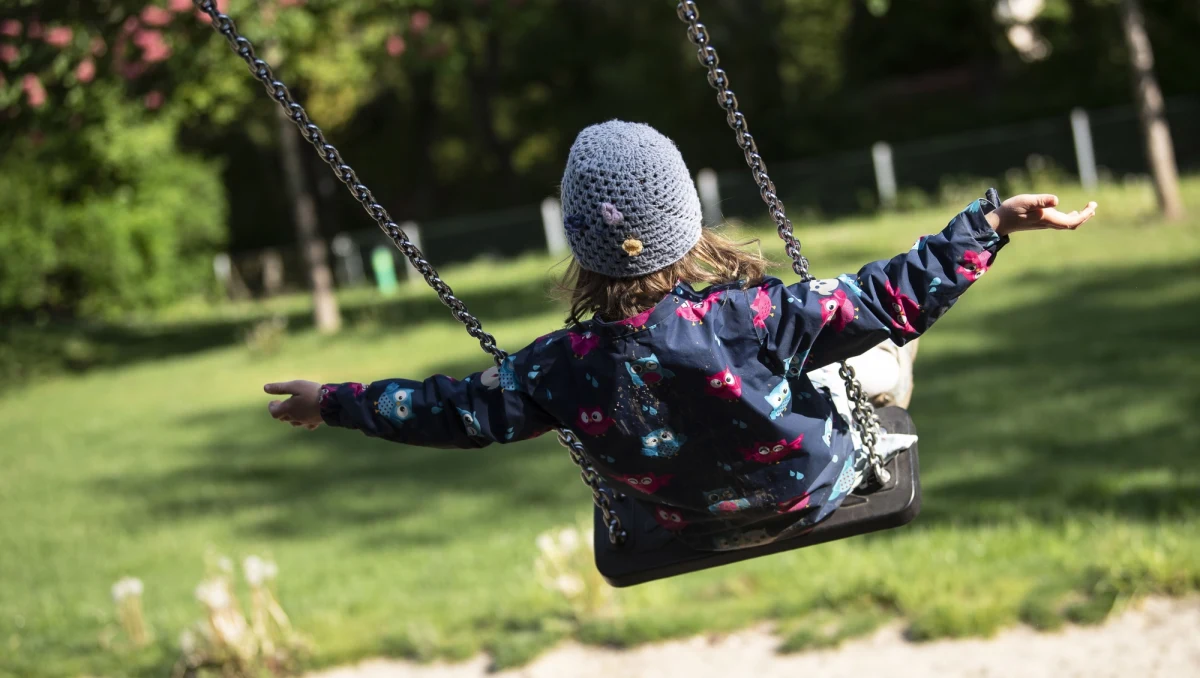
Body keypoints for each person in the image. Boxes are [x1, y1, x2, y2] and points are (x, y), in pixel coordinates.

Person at [264, 121, 1096, 551]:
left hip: (678, 518)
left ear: (580, 246)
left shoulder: (558, 367)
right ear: (687, 223)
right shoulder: (751, 316)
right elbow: (892, 294)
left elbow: (448, 410)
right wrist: (988, 224)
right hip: (814, 488)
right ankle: (882, 382)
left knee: (840, 348)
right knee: (883, 350)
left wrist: (334, 402)